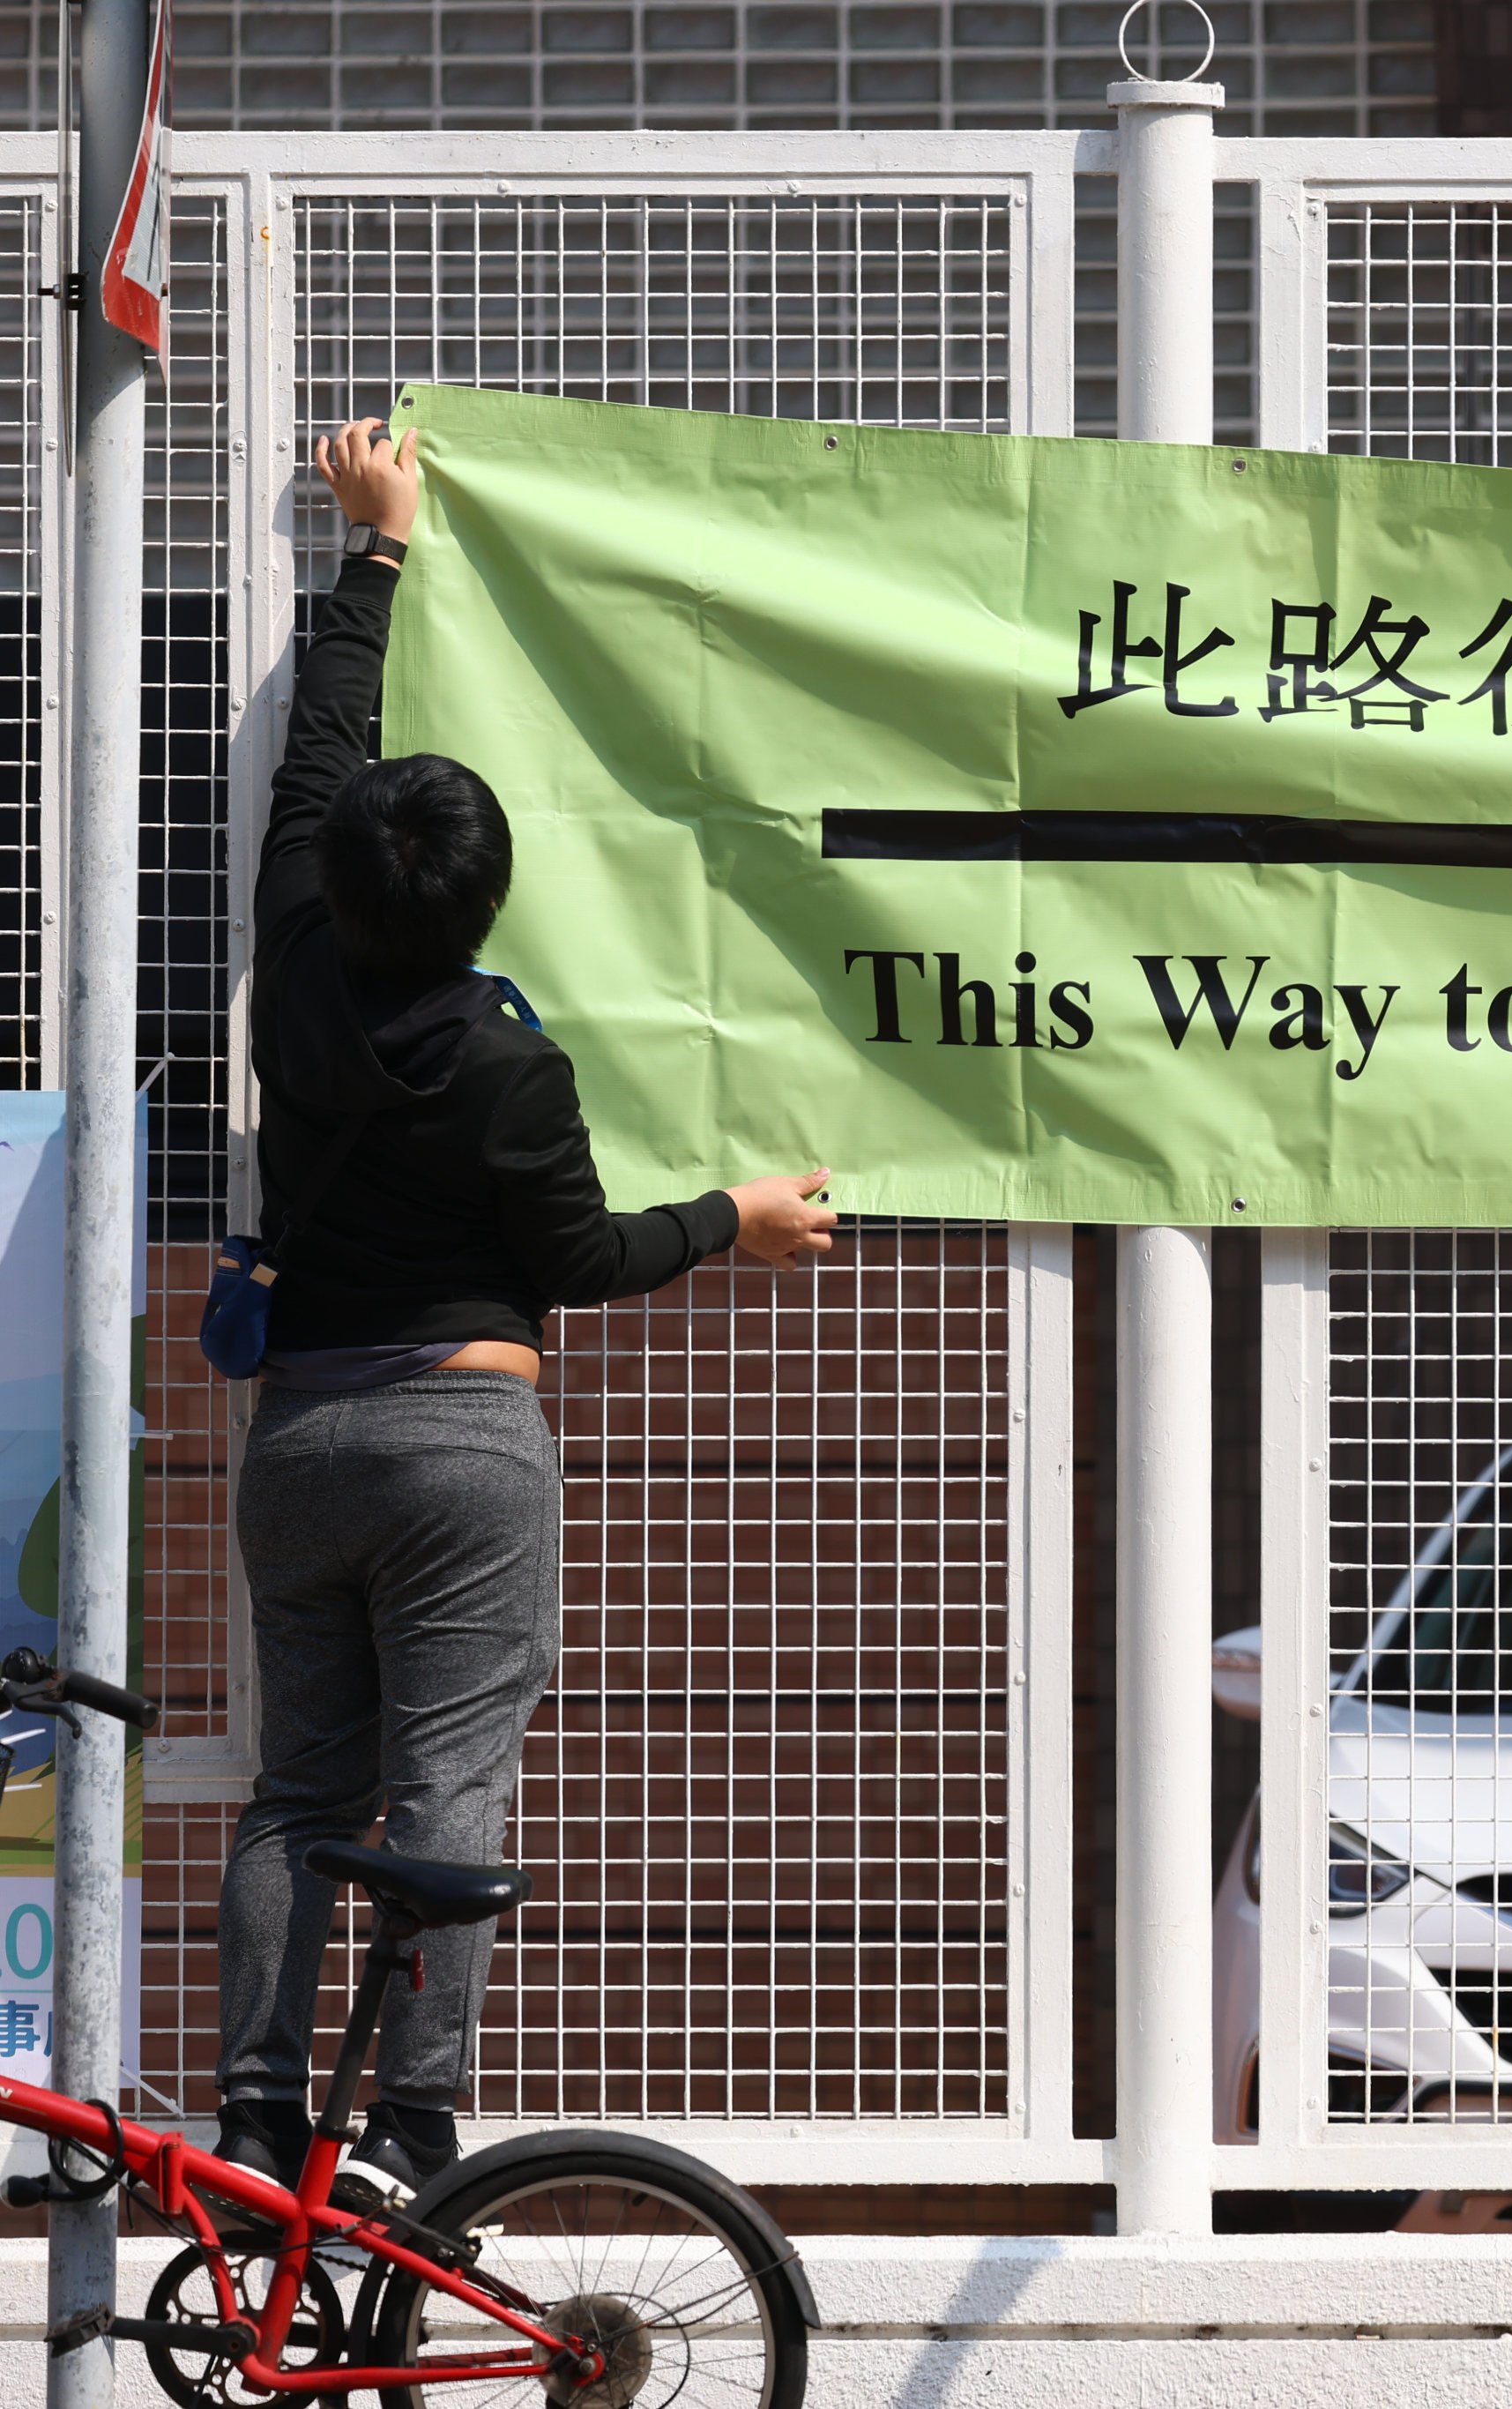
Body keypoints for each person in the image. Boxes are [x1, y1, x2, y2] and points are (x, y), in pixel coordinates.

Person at [216, 419, 838, 2211]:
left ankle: (259, 2116)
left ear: (345, 882)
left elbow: (318, 756)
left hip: (300, 1440)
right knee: (447, 1789)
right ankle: (412, 2125)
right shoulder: (510, 1066)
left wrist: (377, 552)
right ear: (489, 900)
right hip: (464, 1444)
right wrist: (738, 1214)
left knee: (293, 1796)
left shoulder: (299, 970)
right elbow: (576, 1258)